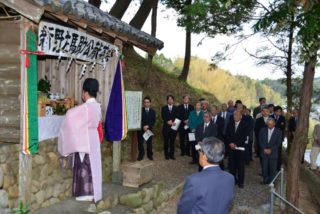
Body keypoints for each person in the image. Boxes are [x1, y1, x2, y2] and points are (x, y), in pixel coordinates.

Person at [58, 78, 102, 202]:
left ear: (86, 92)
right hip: (93, 138)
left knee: (85, 164)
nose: (82, 94)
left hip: (85, 138)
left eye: (83, 92)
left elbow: (69, 116)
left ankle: (84, 193)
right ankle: (95, 192)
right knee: (94, 165)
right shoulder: (98, 106)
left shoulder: (84, 108)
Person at [177, 137, 234, 214]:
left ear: (204, 156)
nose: (199, 153)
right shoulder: (230, 178)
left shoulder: (194, 181)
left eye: (200, 151)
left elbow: (184, 209)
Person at [225, 110, 249, 188]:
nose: (235, 116)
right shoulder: (230, 124)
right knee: (232, 166)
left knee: (240, 166)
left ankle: (241, 182)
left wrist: (236, 144)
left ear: (240, 116)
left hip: (240, 149)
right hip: (231, 148)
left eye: (237, 115)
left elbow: (244, 137)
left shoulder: (245, 125)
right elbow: (227, 135)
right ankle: (233, 180)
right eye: (234, 115)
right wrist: (230, 143)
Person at [259, 118, 282, 184]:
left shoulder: (278, 132)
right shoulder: (262, 130)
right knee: (264, 167)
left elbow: (278, 143)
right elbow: (260, 140)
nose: (269, 126)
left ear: (274, 124)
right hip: (264, 152)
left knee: (273, 168)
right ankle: (265, 179)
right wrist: (264, 149)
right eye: (268, 124)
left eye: (271, 124)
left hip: (273, 153)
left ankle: (272, 181)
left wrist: (271, 149)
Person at [137, 96, 156, 161]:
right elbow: (138, 119)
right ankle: (141, 155)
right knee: (140, 143)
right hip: (141, 129)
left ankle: (149, 155)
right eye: (145, 102)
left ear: (150, 103)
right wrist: (143, 126)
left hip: (148, 129)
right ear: (143, 103)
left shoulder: (153, 111)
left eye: (147, 102)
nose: (146, 104)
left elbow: (153, 121)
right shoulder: (140, 110)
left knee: (149, 143)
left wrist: (148, 126)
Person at [161, 95, 178, 160]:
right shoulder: (164, 108)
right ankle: (166, 155)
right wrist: (167, 121)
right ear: (167, 100)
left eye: (171, 99)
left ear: (173, 100)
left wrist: (174, 122)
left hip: (174, 128)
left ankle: (172, 155)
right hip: (166, 128)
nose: (170, 100)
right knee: (166, 142)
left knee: (172, 142)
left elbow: (178, 116)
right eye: (169, 99)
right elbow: (163, 116)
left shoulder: (176, 108)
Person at [271, 106, 286, 170]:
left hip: (279, 137)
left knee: (279, 152)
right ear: (274, 111)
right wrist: (278, 125)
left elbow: (283, 127)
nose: (279, 113)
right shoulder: (271, 117)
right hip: (271, 137)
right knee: (271, 151)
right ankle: (271, 166)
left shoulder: (282, 118)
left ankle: (278, 166)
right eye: (277, 111)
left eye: (280, 111)